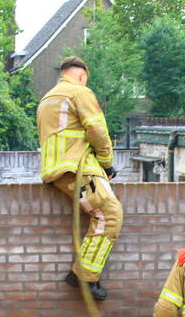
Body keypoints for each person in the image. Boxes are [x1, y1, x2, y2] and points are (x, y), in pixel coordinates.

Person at [38, 56, 122, 301]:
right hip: (79, 167)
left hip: (58, 170)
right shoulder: (79, 92)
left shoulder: (46, 99)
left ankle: (82, 274)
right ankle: (84, 277)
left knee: (102, 214)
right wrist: (107, 164)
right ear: (82, 76)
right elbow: (97, 130)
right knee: (110, 214)